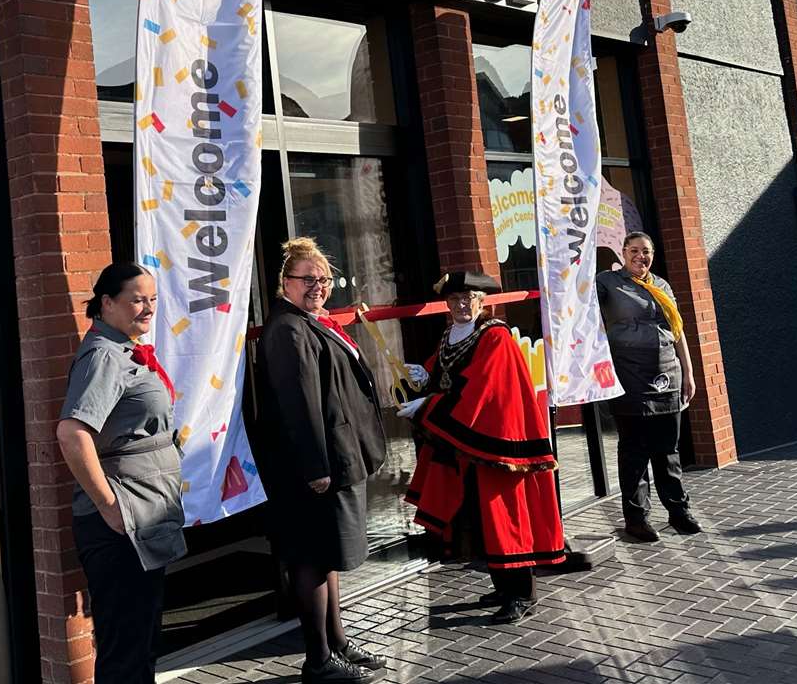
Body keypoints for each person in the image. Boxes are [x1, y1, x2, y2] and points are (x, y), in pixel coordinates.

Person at [252, 237, 388, 683]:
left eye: (324, 278)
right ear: (284, 284)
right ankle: (318, 659)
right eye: (307, 279)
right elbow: (300, 404)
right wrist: (315, 468)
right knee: (310, 557)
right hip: (311, 467)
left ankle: (337, 643)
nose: (318, 286)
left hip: (333, 458)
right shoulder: (288, 330)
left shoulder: (309, 322)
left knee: (326, 554)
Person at [399, 270, 566, 624]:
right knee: (478, 518)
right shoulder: (450, 334)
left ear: (482, 301)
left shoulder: (495, 336)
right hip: (467, 443)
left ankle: (523, 593)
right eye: (455, 299)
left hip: (496, 444)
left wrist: (427, 406)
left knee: (505, 517)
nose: (462, 305)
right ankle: (502, 585)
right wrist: (424, 377)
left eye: (469, 298)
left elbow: (482, 389)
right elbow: (447, 376)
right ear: (447, 303)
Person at [56, 263, 187, 684]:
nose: (148, 308)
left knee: (141, 643)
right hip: (122, 526)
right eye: (137, 299)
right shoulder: (102, 356)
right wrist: (109, 505)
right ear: (107, 303)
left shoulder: (126, 347)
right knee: (126, 652)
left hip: (144, 516)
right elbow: (72, 434)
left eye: (152, 299)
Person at [595, 231, 701, 542]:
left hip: (668, 373)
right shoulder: (608, 283)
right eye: (635, 251)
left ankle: (679, 512)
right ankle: (636, 518)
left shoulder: (662, 285)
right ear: (623, 253)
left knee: (668, 450)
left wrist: (689, 374)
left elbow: (678, 332)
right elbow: (583, 311)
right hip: (629, 375)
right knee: (635, 450)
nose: (642, 256)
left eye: (647, 251)